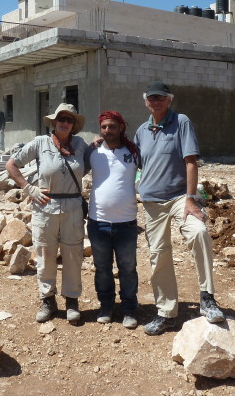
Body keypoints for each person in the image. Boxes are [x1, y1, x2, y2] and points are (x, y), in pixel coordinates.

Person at [134, 81, 224, 336]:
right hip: (152, 203)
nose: (156, 101)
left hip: (178, 198)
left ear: (169, 100)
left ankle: (207, 298)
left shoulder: (181, 122)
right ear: (146, 101)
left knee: (198, 232)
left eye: (161, 98)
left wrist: (191, 198)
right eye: (151, 98)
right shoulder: (141, 131)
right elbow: (136, 162)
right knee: (159, 255)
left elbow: (191, 162)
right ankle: (166, 312)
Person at [6, 103, 87, 324]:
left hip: (72, 207)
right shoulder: (40, 143)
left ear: (73, 124)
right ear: (54, 121)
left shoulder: (80, 144)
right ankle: (47, 299)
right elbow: (11, 164)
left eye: (69, 120)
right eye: (61, 118)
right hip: (45, 207)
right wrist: (28, 188)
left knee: (73, 255)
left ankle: (72, 300)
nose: (64, 122)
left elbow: (88, 165)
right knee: (45, 254)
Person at [85, 111, 140, 329]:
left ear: (121, 127)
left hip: (126, 222)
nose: (108, 130)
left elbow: (152, 172)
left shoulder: (134, 152)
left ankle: (129, 308)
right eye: (104, 127)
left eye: (112, 126)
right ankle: (106, 306)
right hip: (97, 222)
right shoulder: (93, 152)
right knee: (102, 267)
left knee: (127, 267)